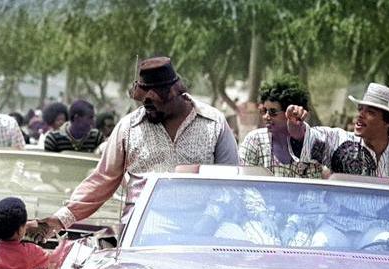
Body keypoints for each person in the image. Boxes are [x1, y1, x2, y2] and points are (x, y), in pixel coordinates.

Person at [37, 56, 238, 235]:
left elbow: (230, 182)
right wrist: (61, 219)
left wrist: (210, 219)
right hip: (143, 229)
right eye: (143, 102)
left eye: (153, 102)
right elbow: (102, 180)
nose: (146, 107)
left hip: (204, 228)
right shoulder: (128, 127)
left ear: (173, 93)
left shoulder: (214, 123)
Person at [286, 82, 389, 190]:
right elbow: (305, 138)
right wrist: (295, 125)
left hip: (385, 227)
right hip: (337, 224)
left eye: (370, 112)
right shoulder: (340, 142)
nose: (360, 115)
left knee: (386, 237)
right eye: (360, 109)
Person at [238, 75, 323, 177]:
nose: (266, 116)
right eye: (264, 111)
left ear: (292, 113)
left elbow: (312, 189)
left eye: (273, 112)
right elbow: (244, 184)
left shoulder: (311, 146)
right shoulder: (254, 141)